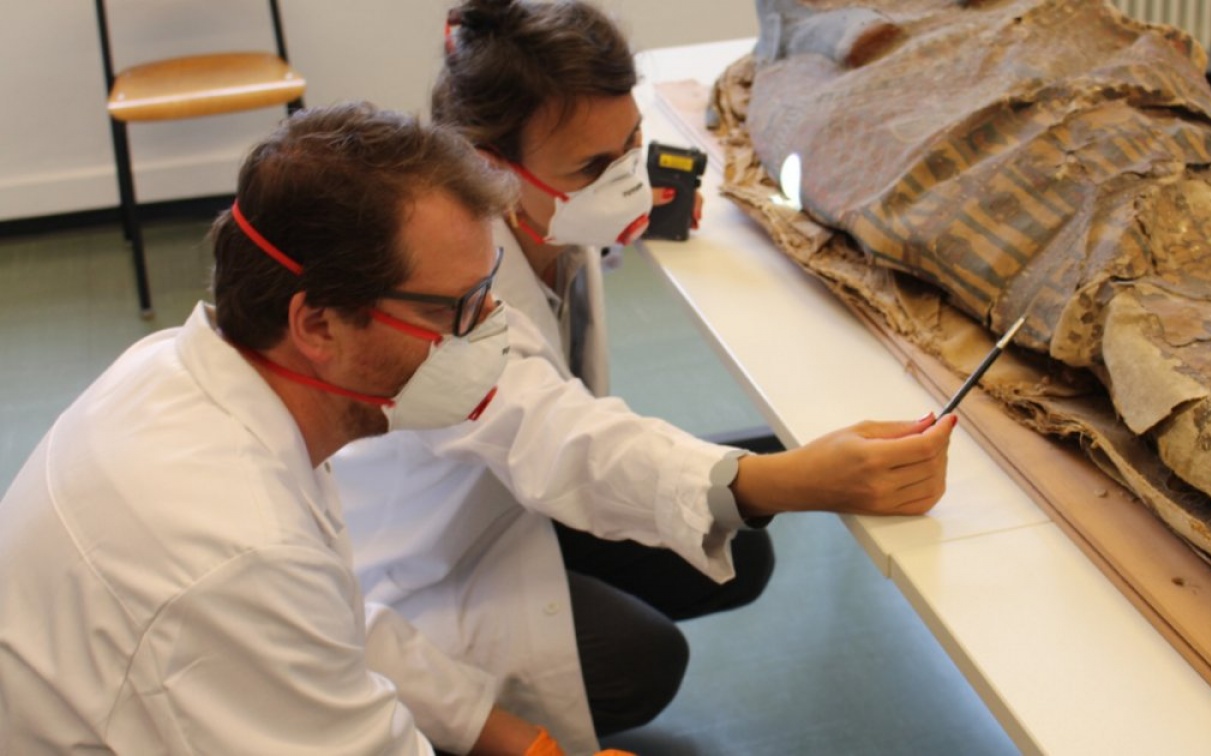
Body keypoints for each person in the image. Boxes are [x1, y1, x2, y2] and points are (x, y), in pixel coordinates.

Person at [329, 0, 960, 752]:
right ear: (490, 169)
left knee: (739, 551)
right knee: (643, 659)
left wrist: (633, 199)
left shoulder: (547, 214)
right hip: (429, 565)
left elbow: (582, 255)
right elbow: (566, 441)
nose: (626, 175)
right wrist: (792, 481)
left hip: (508, 495)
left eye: (631, 142)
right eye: (594, 168)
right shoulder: (448, 306)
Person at [0, 103, 575, 755]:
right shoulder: (234, 544)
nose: (492, 327)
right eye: (456, 309)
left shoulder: (196, 376)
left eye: (489, 292)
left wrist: (516, 740)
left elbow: (335, 624)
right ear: (319, 326)